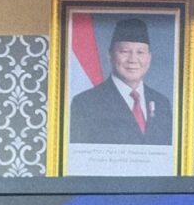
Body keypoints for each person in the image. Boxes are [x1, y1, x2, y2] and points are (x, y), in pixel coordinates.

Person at [66, 16, 173, 145]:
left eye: (140, 52)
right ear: (110, 55)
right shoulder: (85, 103)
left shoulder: (162, 103)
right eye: (125, 51)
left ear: (149, 58)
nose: (133, 60)